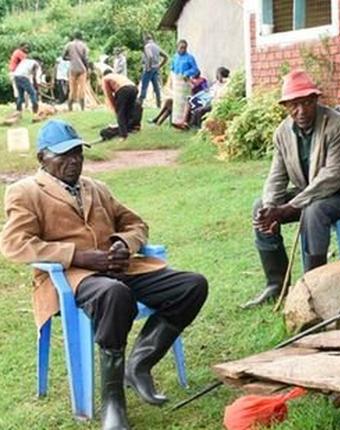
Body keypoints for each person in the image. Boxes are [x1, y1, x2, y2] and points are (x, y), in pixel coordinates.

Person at [0, 120, 208, 430]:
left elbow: (137, 225)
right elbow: (15, 244)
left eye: (78, 154)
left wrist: (122, 243)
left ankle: (139, 364)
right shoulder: (25, 191)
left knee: (192, 285)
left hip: (120, 270)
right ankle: (113, 402)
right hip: (72, 279)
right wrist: (79, 255)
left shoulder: (96, 187)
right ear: (42, 157)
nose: (74, 162)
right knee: (114, 294)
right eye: (63, 155)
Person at [242, 69, 340, 308]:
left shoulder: (337, 124)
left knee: (315, 211)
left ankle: (313, 284)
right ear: (286, 106)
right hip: (310, 192)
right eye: (294, 105)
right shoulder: (283, 133)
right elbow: (277, 176)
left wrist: (289, 207)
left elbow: (333, 176)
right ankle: (276, 285)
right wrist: (270, 208)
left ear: (316, 100)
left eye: (307, 103)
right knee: (258, 207)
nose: (301, 111)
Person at [101, 70, 139, 140]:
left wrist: (115, 109)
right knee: (128, 111)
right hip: (134, 88)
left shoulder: (105, 78)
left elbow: (109, 95)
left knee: (120, 114)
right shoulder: (118, 76)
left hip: (123, 90)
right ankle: (129, 128)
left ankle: (123, 135)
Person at [170, 39, 199, 129]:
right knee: (177, 102)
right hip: (176, 82)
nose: (183, 49)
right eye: (181, 48)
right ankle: (176, 121)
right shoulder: (174, 57)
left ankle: (183, 121)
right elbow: (172, 69)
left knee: (185, 101)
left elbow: (195, 69)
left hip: (185, 82)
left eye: (184, 48)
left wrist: (187, 73)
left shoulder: (190, 58)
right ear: (177, 48)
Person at [139, 34, 168, 108]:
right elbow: (166, 56)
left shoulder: (147, 46)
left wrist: (148, 66)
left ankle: (140, 103)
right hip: (155, 69)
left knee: (144, 86)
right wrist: (160, 65)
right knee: (156, 87)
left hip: (149, 69)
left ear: (145, 39)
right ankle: (158, 104)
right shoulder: (156, 46)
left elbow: (150, 56)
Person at [63, 31, 89, 111]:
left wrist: (72, 58)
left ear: (74, 37)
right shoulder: (84, 46)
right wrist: (87, 69)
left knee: (72, 89)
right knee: (82, 89)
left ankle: (70, 108)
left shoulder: (68, 45)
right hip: (82, 69)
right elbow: (85, 59)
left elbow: (63, 57)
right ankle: (82, 108)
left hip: (72, 69)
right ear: (81, 37)